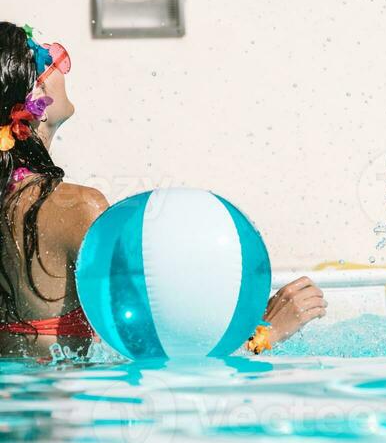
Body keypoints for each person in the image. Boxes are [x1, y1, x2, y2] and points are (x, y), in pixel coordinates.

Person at [0, 22, 326, 361]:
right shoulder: (78, 208)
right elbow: (162, 351)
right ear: (32, 99)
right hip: (60, 409)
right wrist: (267, 334)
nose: (59, 62)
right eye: (46, 58)